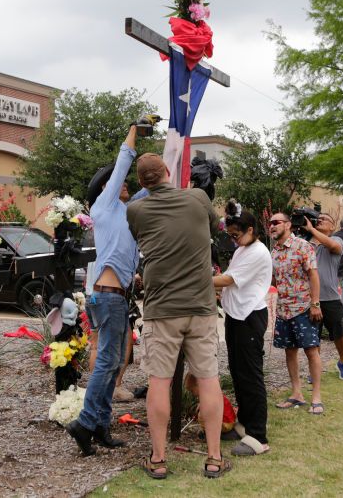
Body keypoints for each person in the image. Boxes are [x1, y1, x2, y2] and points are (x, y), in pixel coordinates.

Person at [126, 153, 228, 479]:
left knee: (159, 382)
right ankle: (214, 458)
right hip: (200, 306)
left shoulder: (136, 210)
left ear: (141, 183)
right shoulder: (198, 198)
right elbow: (214, 226)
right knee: (209, 380)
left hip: (162, 309)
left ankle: (158, 460)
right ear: (169, 172)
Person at [66, 123, 148, 456]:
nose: (125, 184)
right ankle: (85, 424)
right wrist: (132, 132)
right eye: (118, 182)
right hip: (109, 297)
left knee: (112, 363)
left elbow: (153, 188)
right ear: (106, 188)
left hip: (111, 296)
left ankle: (99, 426)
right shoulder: (105, 206)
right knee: (106, 365)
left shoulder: (126, 211)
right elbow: (124, 162)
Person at [212, 203, 272, 456]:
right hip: (236, 316)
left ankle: (258, 436)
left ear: (250, 229)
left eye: (236, 235)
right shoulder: (243, 249)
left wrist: (190, 277)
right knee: (237, 371)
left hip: (250, 317)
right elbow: (229, 281)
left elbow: (228, 279)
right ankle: (244, 423)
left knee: (250, 375)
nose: (233, 239)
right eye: (230, 235)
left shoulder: (258, 251)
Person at [269, 212, 324, 414]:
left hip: (303, 308)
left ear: (288, 225)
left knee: (311, 350)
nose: (272, 226)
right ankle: (296, 394)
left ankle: (317, 398)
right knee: (289, 351)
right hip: (284, 310)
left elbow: (313, 276)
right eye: (270, 223)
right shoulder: (273, 252)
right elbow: (274, 280)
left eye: (276, 222)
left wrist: (315, 303)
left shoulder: (302, 246)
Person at [303, 213, 343, 380]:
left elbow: (332, 246)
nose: (320, 220)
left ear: (333, 227)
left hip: (330, 298)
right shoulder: (306, 244)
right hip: (311, 299)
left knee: (339, 333)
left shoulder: (337, 240)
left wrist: (311, 229)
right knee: (313, 337)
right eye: (319, 218)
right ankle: (315, 369)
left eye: (325, 219)